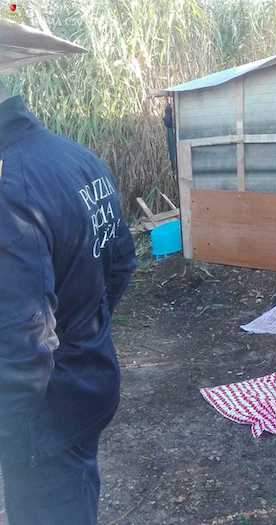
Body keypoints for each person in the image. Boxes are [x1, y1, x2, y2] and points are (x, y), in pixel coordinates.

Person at [0, 77, 136, 523]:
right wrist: (83, 330)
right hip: (90, 376)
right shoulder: (76, 157)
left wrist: (11, 433)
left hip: (45, 414)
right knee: (76, 495)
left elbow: (23, 339)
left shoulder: (9, 184)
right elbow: (121, 263)